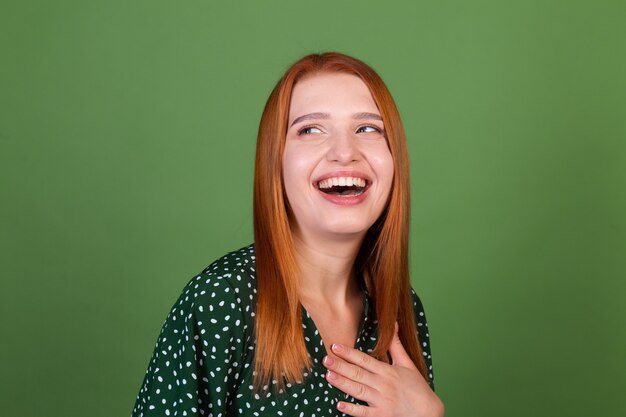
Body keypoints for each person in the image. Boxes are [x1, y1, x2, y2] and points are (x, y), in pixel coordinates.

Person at [131, 52, 444, 417]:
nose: (345, 152)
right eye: (310, 129)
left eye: (368, 129)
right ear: (275, 162)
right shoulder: (222, 301)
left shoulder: (401, 309)